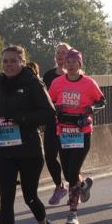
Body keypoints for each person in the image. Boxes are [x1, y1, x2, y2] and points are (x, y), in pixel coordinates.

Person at [0, 46, 55, 224]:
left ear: (22, 62)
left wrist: (22, 119)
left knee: (30, 197)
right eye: (5, 61)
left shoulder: (33, 83)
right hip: (6, 150)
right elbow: (2, 110)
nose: (8, 65)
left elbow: (49, 113)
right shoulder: (0, 82)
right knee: (6, 199)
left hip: (29, 151)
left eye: (13, 61)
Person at [48, 49, 106, 224]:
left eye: (74, 62)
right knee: (68, 174)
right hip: (63, 131)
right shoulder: (57, 83)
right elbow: (49, 102)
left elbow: (101, 101)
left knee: (73, 171)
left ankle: (72, 214)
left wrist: (91, 109)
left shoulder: (89, 83)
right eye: (68, 62)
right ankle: (82, 186)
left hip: (82, 132)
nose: (71, 65)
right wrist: (55, 110)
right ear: (64, 64)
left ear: (80, 64)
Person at [42, 42, 71, 206]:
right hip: (52, 122)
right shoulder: (48, 75)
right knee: (50, 156)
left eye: (64, 52)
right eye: (58, 52)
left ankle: (78, 185)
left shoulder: (75, 75)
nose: (61, 55)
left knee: (68, 160)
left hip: (70, 124)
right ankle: (60, 186)